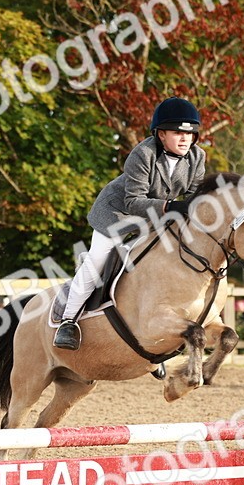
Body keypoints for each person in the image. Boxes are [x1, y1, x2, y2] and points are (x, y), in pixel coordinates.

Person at [54, 96, 207, 350]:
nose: (185, 139)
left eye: (190, 134)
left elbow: (193, 195)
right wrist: (170, 206)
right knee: (98, 261)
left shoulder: (197, 157)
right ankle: (68, 321)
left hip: (155, 215)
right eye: (178, 133)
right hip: (117, 214)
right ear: (160, 134)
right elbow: (134, 201)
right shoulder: (143, 154)